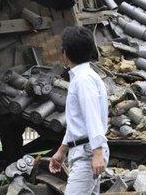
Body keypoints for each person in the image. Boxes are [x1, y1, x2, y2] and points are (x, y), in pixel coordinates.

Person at [49, 26, 109, 195]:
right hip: (84, 150)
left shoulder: (83, 80)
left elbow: (92, 118)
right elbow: (78, 122)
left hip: (88, 153)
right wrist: (61, 151)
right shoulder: (84, 77)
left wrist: (97, 154)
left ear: (65, 53)